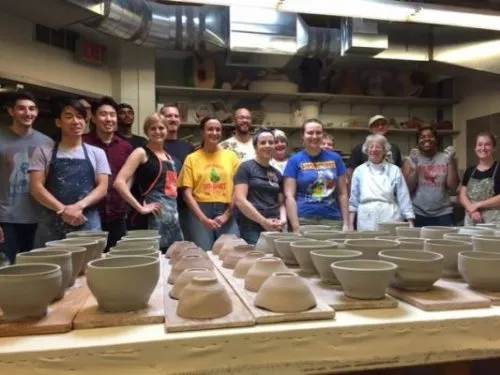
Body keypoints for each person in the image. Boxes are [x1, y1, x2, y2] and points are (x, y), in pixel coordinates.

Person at [29, 98, 110, 247]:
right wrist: (64, 210)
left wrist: (79, 207)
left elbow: (102, 187)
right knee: (51, 267)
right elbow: (36, 188)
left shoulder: (97, 153)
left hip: (87, 222)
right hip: (52, 225)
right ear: (58, 122)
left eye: (80, 117)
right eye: (68, 116)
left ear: (86, 122)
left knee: (88, 268)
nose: (76, 121)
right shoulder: (43, 151)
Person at [114, 113, 183, 252]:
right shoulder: (140, 153)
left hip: (171, 220)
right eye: (153, 128)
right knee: (149, 258)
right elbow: (119, 183)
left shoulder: (171, 158)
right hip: (148, 219)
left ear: (166, 130)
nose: (157, 132)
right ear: (146, 131)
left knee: (170, 260)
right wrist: (140, 207)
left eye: (161, 128)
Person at [0, 91, 53, 263]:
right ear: (11, 111)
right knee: (7, 268)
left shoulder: (47, 142)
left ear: (37, 112)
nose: (27, 113)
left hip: (39, 217)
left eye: (32, 109)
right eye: (21, 108)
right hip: (6, 217)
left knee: (35, 267)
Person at [178, 117, 240, 251]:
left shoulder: (231, 157)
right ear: (202, 132)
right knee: (204, 253)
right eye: (210, 129)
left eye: (218, 129)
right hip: (200, 211)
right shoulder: (192, 158)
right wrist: (203, 219)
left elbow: (238, 189)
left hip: (226, 209)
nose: (215, 132)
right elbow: (187, 195)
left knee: (232, 252)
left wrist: (227, 215)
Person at [84, 97, 133, 250]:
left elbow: (130, 177)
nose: (109, 119)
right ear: (93, 117)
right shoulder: (83, 143)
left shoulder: (126, 147)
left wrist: (124, 198)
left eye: (112, 115)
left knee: (117, 260)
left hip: (118, 215)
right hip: (88, 214)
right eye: (103, 114)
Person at [284, 119, 349, 232]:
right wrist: (295, 227)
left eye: (318, 133)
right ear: (302, 136)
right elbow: (289, 196)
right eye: (310, 133)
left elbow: (343, 193)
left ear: (322, 135)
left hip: (332, 220)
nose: (314, 136)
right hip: (304, 220)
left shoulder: (335, 159)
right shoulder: (294, 160)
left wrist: (346, 224)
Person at [349, 134, 414, 231]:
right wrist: (350, 225)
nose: (374, 150)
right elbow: (353, 200)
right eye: (371, 147)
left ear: (384, 150)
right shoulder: (359, 171)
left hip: (390, 216)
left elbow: (403, 196)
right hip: (366, 218)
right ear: (367, 150)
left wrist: (410, 222)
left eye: (378, 147)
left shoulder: (395, 170)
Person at [234, 129, 286, 244]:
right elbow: (240, 200)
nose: (267, 145)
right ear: (255, 146)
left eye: (271, 142)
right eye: (263, 143)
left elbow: (281, 203)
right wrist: (263, 221)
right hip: (252, 225)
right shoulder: (246, 168)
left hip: (275, 224)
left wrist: (282, 220)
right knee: (256, 259)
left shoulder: (277, 173)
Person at [403, 126, 459, 227]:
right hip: (417, 212)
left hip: (443, 213)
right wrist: (415, 167)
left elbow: (453, 186)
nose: (426, 139)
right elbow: (408, 188)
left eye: (430, 136)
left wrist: (451, 162)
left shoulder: (446, 158)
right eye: (422, 137)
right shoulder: (410, 160)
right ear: (417, 141)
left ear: (436, 140)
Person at [159, 104, 195, 240]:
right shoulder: (153, 146)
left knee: (185, 246)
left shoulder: (188, 148)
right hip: (161, 207)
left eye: (176, 116)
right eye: (169, 116)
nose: (173, 119)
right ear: (161, 118)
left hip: (184, 207)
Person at [459, 132, 500, 225]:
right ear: (475, 148)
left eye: (487, 144)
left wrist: (477, 205)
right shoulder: (470, 170)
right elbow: (462, 195)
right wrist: (471, 209)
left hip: (494, 223)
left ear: (494, 148)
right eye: (480, 145)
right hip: (471, 222)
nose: (483, 148)